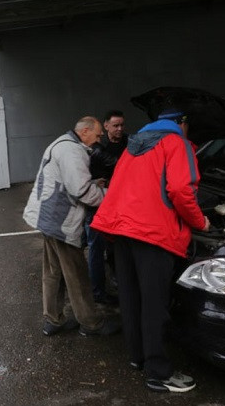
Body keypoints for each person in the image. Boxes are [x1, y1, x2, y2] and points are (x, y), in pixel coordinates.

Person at [91, 108, 210, 393]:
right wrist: (200, 222)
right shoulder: (176, 143)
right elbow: (182, 190)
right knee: (155, 304)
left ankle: (138, 358)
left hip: (122, 231)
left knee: (131, 298)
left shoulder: (134, 148)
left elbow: (119, 186)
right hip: (152, 234)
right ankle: (158, 372)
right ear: (181, 124)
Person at [23, 116, 120, 337]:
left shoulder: (61, 144)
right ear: (85, 131)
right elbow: (81, 192)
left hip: (47, 218)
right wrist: (111, 194)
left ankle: (53, 320)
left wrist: (94, 183)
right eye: (97, 135)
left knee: (52, 272)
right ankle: (91, 323)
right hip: (61, 221)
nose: (99, 139)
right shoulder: (72, 151)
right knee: (76, 274)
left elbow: (66, 182)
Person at [86, 110, 128, 304]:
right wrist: (96, 183)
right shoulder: (100, 150)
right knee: (104, 245)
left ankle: (119, 277)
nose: (119, 129)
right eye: (115, 125)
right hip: (106, 202)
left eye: (121, 125)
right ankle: (107, 283)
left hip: (126, 200)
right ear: (106, 126)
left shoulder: (130, 144)